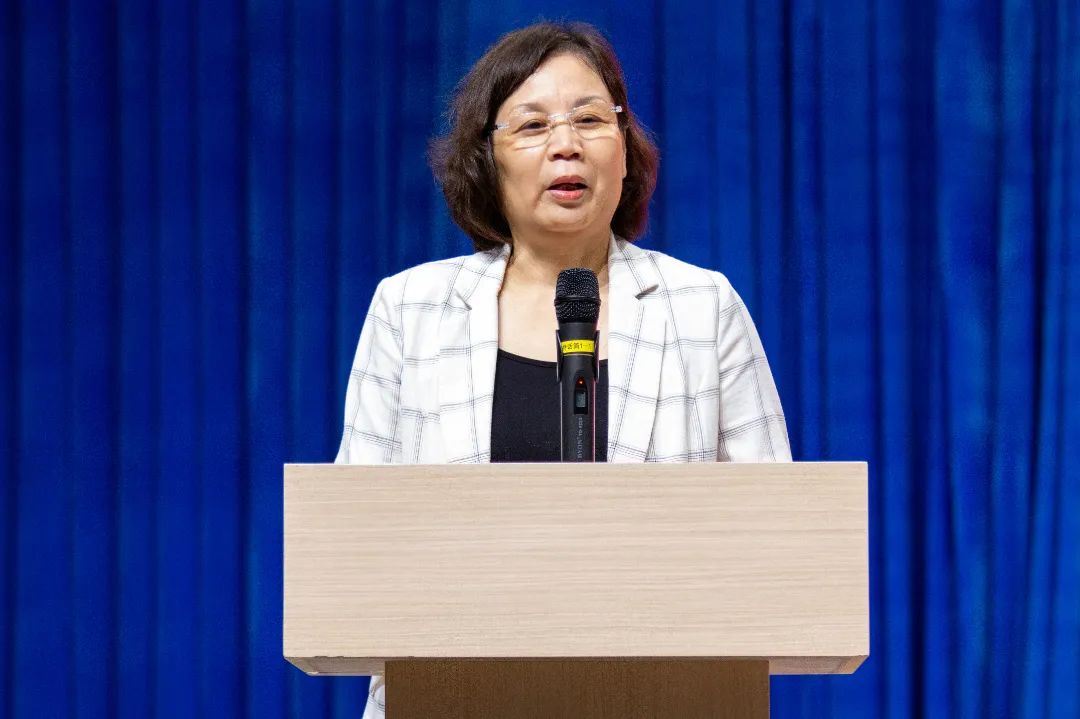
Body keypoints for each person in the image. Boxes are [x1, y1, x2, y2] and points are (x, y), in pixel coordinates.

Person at [335, 21, 792, 719]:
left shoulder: (702, 307)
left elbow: (777, 542)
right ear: (487, 159)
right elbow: (354, 544)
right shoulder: (410, 309)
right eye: (532, 125)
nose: (566, 144)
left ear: (624, 149)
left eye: (589, 119)